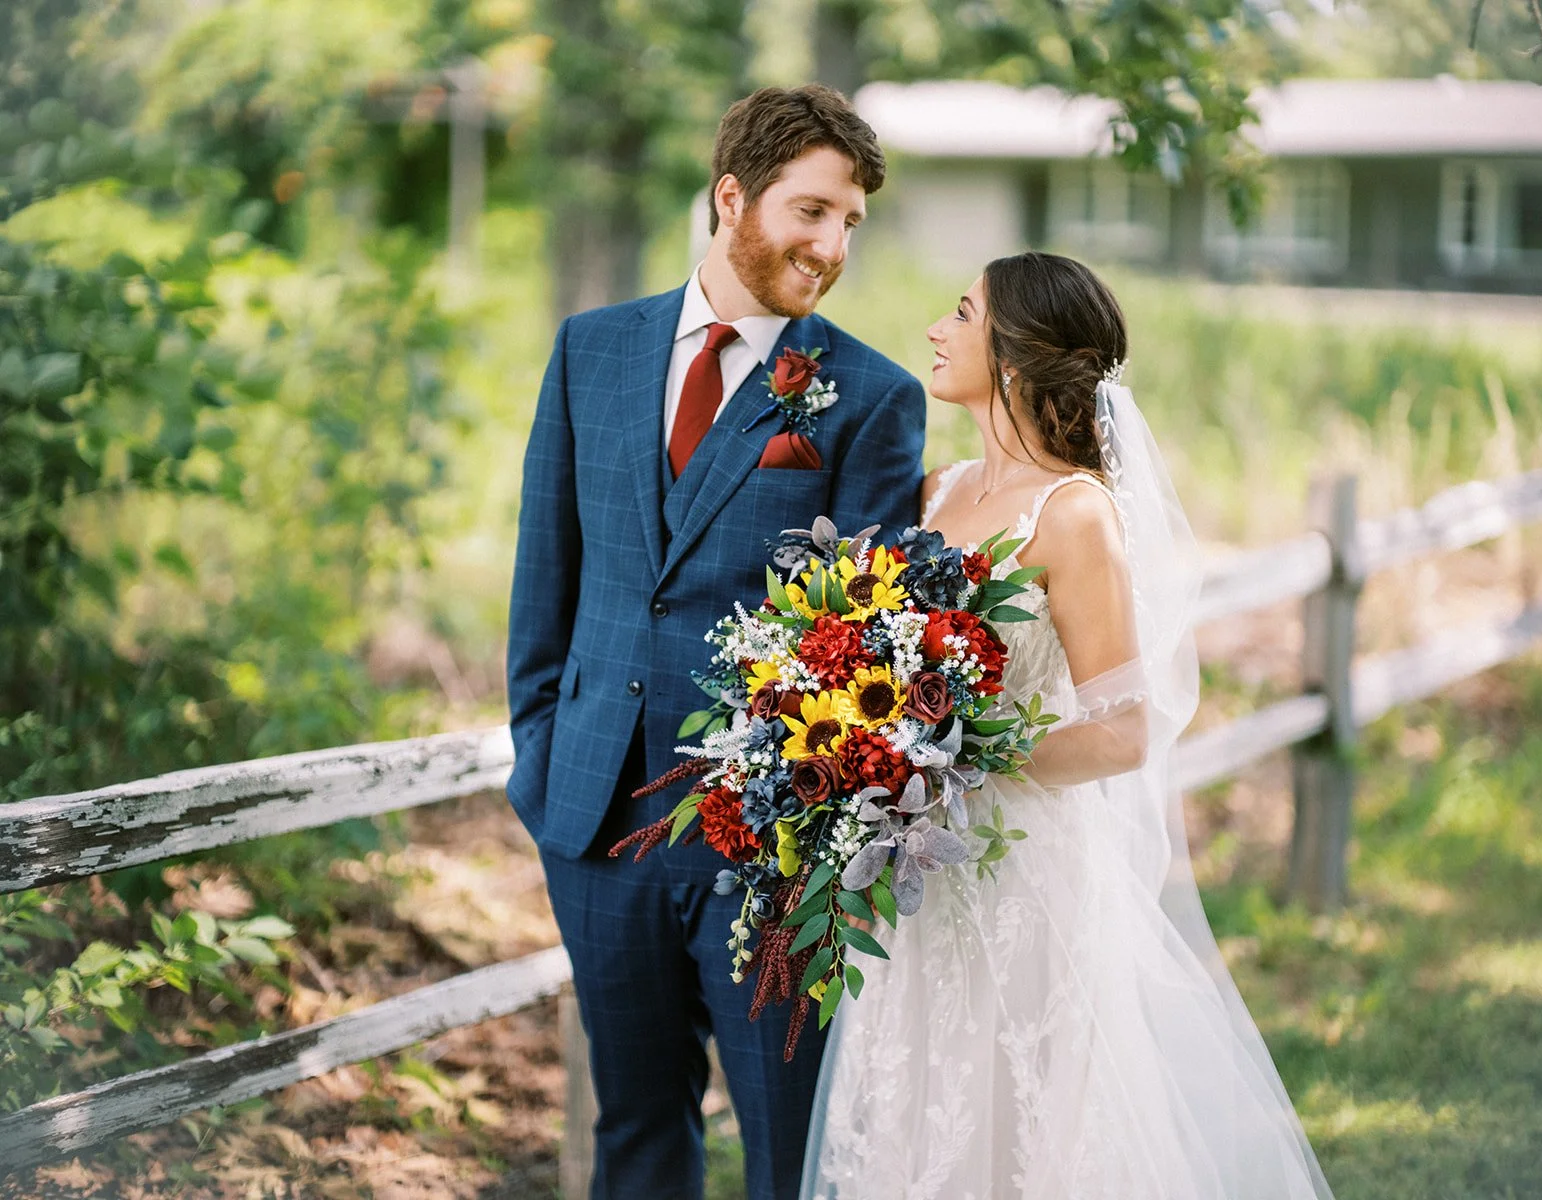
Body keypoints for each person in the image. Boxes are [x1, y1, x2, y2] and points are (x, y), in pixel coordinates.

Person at [801, 251, 1335, 1199]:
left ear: (1012, 358)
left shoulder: (1076, 514)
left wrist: (955, 759)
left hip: (1020, 871)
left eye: (961, 313)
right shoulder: (937, 492)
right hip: (915, 870)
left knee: (1020, 1124)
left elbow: (1125, 731)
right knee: (915, 1111)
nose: (936, 328)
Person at [505, 85, 925, 1200]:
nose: (830, 246)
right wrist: (542, 760)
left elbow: (869, 641)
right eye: (811, 212)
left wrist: (816, 832)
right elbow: (546, 577)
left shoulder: (871, 398)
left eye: (848, 223)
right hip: (594, 815)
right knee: (635, 1130)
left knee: (789, 1152)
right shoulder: (590, 351)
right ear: (730, 196)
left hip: (769, 850)